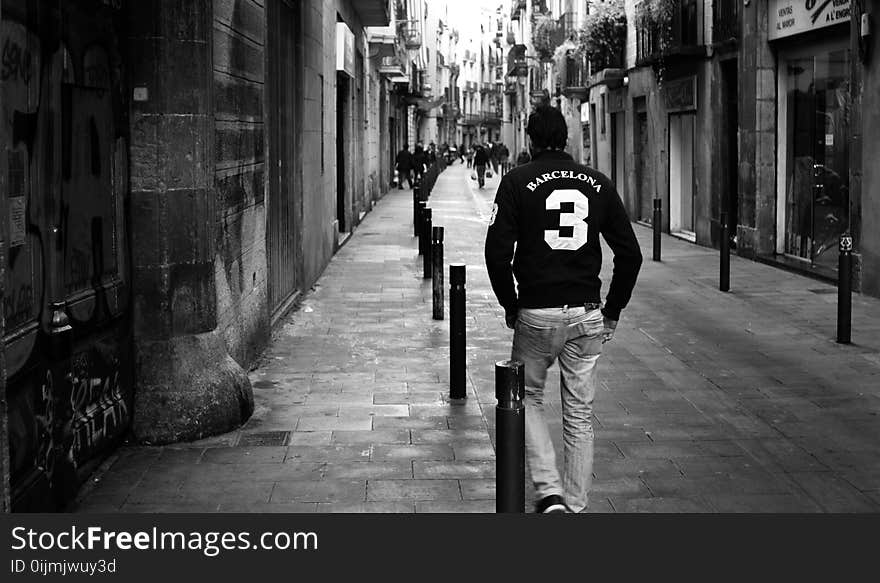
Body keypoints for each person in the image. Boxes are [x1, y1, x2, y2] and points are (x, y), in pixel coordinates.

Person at [484, 105, 642, 514]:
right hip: (587, 314)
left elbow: (496, 253)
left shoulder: (516, 182)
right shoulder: (599, 183)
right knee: (579, 413)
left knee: (529, 398)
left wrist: (510, 304)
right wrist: (613, 310)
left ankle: (549, 493)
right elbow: (630, 254)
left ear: (531, 139)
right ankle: (574, 506)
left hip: (537, 313)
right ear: (567, 139)